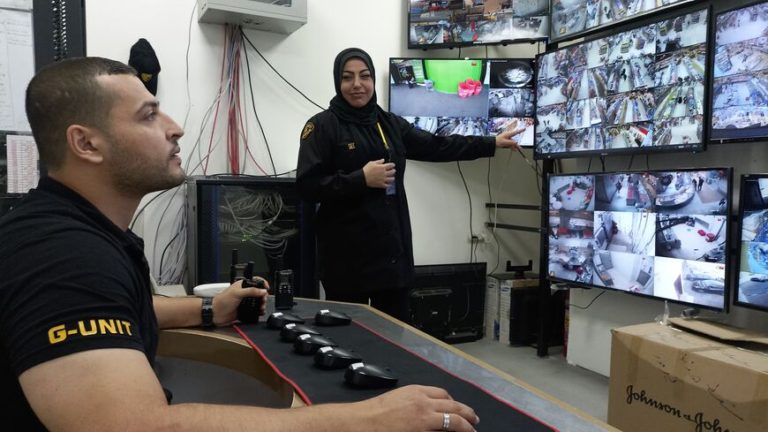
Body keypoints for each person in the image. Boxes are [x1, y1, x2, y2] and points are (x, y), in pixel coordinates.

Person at [0, 57, 480, 432]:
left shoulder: (82, 232)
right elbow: (133, 426)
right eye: (149, 115)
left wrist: (209, 309)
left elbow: (124, 307)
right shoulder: (65, 255)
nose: (175, 126)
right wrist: (367, 420)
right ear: (86, 144)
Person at [296, 48, 523, 320]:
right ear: (337, 81)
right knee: (350, 338)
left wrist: (491, 143)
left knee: (394, 338)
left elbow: (438, 145)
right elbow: (307, 187)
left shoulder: (390, 124)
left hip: (392, 259)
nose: (357, 84)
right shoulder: (321, 127)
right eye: (347, 77)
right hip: (346, 264)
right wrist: (361, 179)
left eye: (364, 76)